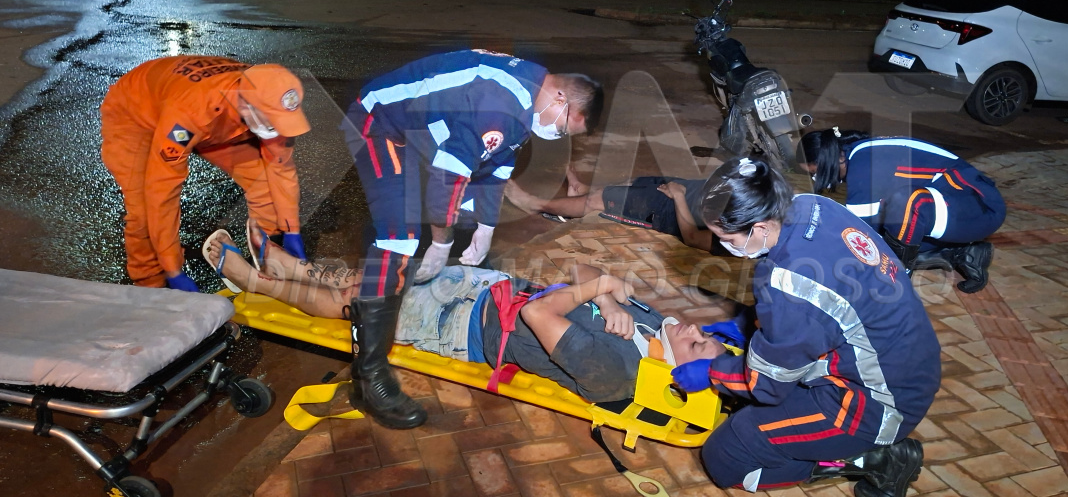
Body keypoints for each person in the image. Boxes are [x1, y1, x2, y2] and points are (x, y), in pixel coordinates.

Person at [342, 48, 603, 428]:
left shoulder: (529, 90)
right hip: (379, 122)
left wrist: (486, 225)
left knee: (458, 213)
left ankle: (412, 263)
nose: (556, 133)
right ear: (560, 97)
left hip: (425, 124)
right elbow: (448, 182)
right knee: (399, 237)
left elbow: (496, 166)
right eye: (564, 127)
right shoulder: (500, 106)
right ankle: (368, 378)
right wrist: (442, 242)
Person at [669, 156, 940, 495]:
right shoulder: (811, 204)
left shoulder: (789, 282)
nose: (725, 246)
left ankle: (873, 460)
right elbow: (824, 305)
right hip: (912, 366)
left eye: (728, 239)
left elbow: (767, 385)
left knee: (726, 455)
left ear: (761, 228)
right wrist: (749, 322)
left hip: (877, 406)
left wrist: (712, 372)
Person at [203, 228, 726, 403]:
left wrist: (600, 286)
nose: (695, 329)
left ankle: (256, 280)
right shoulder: (654, 330)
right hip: (489, 289)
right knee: (383, 272)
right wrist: (608, 299)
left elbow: (543, 313)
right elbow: (580, 264)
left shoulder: (619, 372)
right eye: (706, 333)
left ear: (684, 371)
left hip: (461, 326)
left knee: (360, 304)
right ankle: (287, 265)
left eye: (699, 344)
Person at [100, 56, 310, 291]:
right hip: (137, 114)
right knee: (144, 211)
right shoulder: (189, 113)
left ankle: (271, 255)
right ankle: (151, 285)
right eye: (270, 121)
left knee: (264, 186)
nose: (275, 128)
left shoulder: (268, 92)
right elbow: (162, 192)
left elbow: (281, 170)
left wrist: (291, 229)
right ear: (245, 104)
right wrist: (173, 269)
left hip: (217, 119)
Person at [800, 128, 1005, 293]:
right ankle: (965, 254)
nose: (816, 180)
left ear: (832, 161)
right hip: (959, 206)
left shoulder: (863, 166)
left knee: (904, 206)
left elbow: (856, 234)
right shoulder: (857, 153)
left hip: (981, 207)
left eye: (815, 173)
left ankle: (896, 279)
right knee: (893, 234)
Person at [505, 166, 720, 253]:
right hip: (686, 188)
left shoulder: (740, 231)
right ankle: (580, 190)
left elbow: (693, 238)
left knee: (601, 200)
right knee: (631, 183)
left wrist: (679, 195)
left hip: (669, 208)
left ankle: (533, 203)